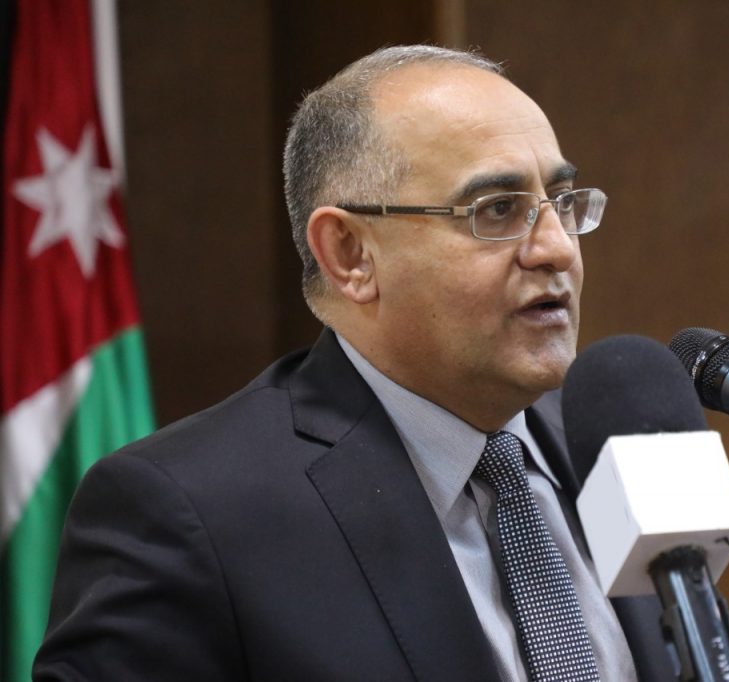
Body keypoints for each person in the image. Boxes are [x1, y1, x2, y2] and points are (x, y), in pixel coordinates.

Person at [34, 45, 674, 681]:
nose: (557, 249)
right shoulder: (187, 512)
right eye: (497, 210)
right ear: (349, 255)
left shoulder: (620, 437)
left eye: (561, 201)